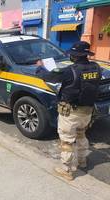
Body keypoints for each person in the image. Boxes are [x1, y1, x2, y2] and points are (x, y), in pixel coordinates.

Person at [36, 41, 102, 181]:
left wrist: (40, 68)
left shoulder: (71, 70)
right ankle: (82, 161)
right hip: (87, 111)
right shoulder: (96, 68)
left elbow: (49, 77)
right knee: (81, 134)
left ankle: (66, 170)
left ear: (75, 56)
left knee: (67, 141)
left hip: (71, 113)